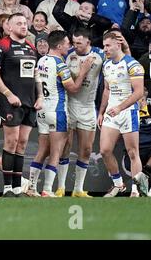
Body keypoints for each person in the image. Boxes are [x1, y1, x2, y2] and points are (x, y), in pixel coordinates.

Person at [29, 30, 93, 197]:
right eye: (66, 44)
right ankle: (47, 189)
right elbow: (73, 88)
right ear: (58, 46)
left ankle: (31, 187)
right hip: (57, 111)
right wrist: (84, 70)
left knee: (42, 150)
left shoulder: (41, 60)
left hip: (42, 110)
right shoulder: (60, 65)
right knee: (56, 151)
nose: (69, 46)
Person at [0, 13, 42, 197]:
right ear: (9, 27)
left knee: (23, 143)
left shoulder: (31, 47)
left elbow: (36, 74)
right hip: (10, 102)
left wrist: (40, 96)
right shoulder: (1, 47)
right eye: (19, 23)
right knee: (11, 141)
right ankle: (7, 187)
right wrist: (8, 94)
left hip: (29, 102)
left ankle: (18, 187)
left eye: (25, 23)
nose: (23, 26)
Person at [54, 28, 105, 198]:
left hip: (88, 107)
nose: (75, 46)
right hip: (70, 105)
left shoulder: (100, 56)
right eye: (73, 42)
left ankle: (78, 189)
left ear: (88, 42)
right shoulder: (69, 56)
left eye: (79, 43)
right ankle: (60, 187)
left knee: (86, 149)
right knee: (65, 147)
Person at [98, 31, 144, 197]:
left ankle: (136, 189)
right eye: (104, 46)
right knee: (104, 150)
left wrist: (120, 107)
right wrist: (101, 112)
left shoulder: (133, 65)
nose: (105, 49)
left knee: (132, 152)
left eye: (108, 45)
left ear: (118, 44)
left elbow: (139, 92)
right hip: (111, 112)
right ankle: (118, 184)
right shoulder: (106, 65)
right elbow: (107, 90)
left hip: (128, 112)